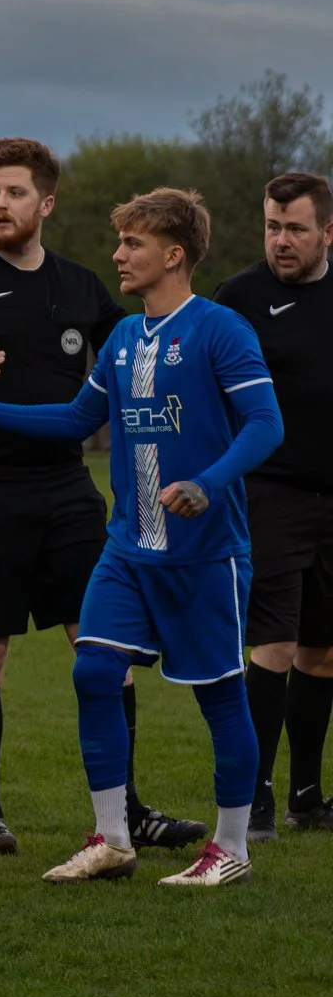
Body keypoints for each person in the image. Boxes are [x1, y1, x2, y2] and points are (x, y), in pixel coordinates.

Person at [0, 188, 281, 888]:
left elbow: (265, 425)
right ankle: (112, 839)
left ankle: (231, 848)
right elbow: (76, 420)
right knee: (94, 671)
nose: (119, 255)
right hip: (128, 549)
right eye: (120, 241)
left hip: (205, 553)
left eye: (133, 243)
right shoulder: (126, 338)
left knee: (220, 694)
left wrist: (207, 483)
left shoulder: (222, 330)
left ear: (174, 254)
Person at [0, 138, 203, 856]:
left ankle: (128, 810)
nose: (0, 204)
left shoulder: (82, 287)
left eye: (15, 192)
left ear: (45, 202)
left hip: (67, 492)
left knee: (104, 647)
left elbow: (145, 355)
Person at [213, 172, 333, 838]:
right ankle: (254, 795)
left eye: (295, 229)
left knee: (324, 650)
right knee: (276, 643)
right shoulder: (239, 298)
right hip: (268, 495)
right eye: (272, 227)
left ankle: (306, 796)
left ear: (328, 233)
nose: (281, 241)